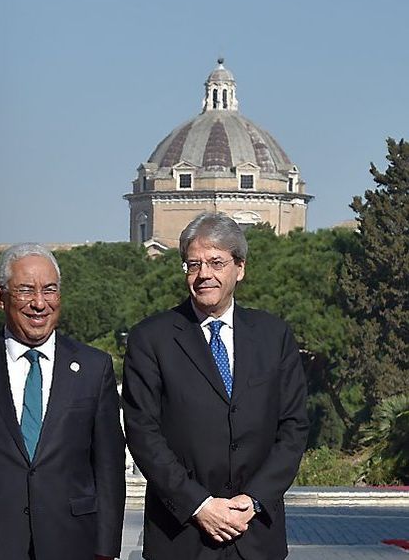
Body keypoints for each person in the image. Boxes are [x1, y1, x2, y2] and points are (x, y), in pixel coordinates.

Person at [122, 212, 309, 559]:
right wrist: (199, 504)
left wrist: (254, 500)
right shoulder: (152, 339)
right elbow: (142, 432)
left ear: (240, 268)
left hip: (256, 533)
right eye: (193, 264)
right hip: (181, 534)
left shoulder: (274, 336)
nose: (203, 274)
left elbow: (294, 427)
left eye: (216, 262)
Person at [0, 243, 125, 560]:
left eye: (49, 290)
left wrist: (106, 549)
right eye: (26, 291)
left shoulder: (94, 368)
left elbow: (110, 467)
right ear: (0, 298)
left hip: (72, 544)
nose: (39, 303)